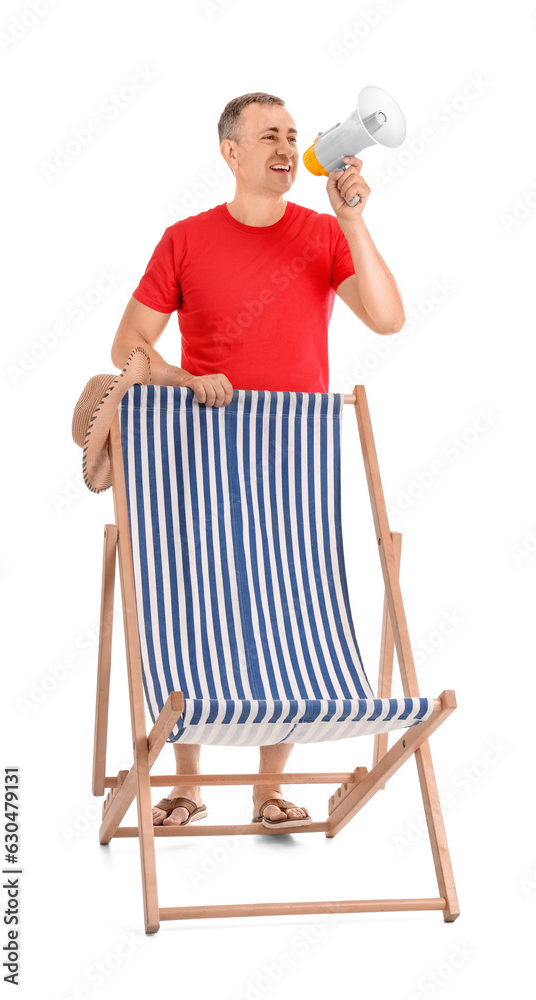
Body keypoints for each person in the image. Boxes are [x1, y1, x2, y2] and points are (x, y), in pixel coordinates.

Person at [111, 91, 405, 830]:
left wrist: (352, 220)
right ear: (230, 152)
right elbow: (127, 348)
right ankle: (185, 784)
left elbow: (386, 318)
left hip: (292, 452)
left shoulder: (321, 234)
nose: (284, 146)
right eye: (267, 135)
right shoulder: (184, 239)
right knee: (196, 595)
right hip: (197, 446)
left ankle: (268, 787)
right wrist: (182, 378)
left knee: (285, 598)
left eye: (292, 135)